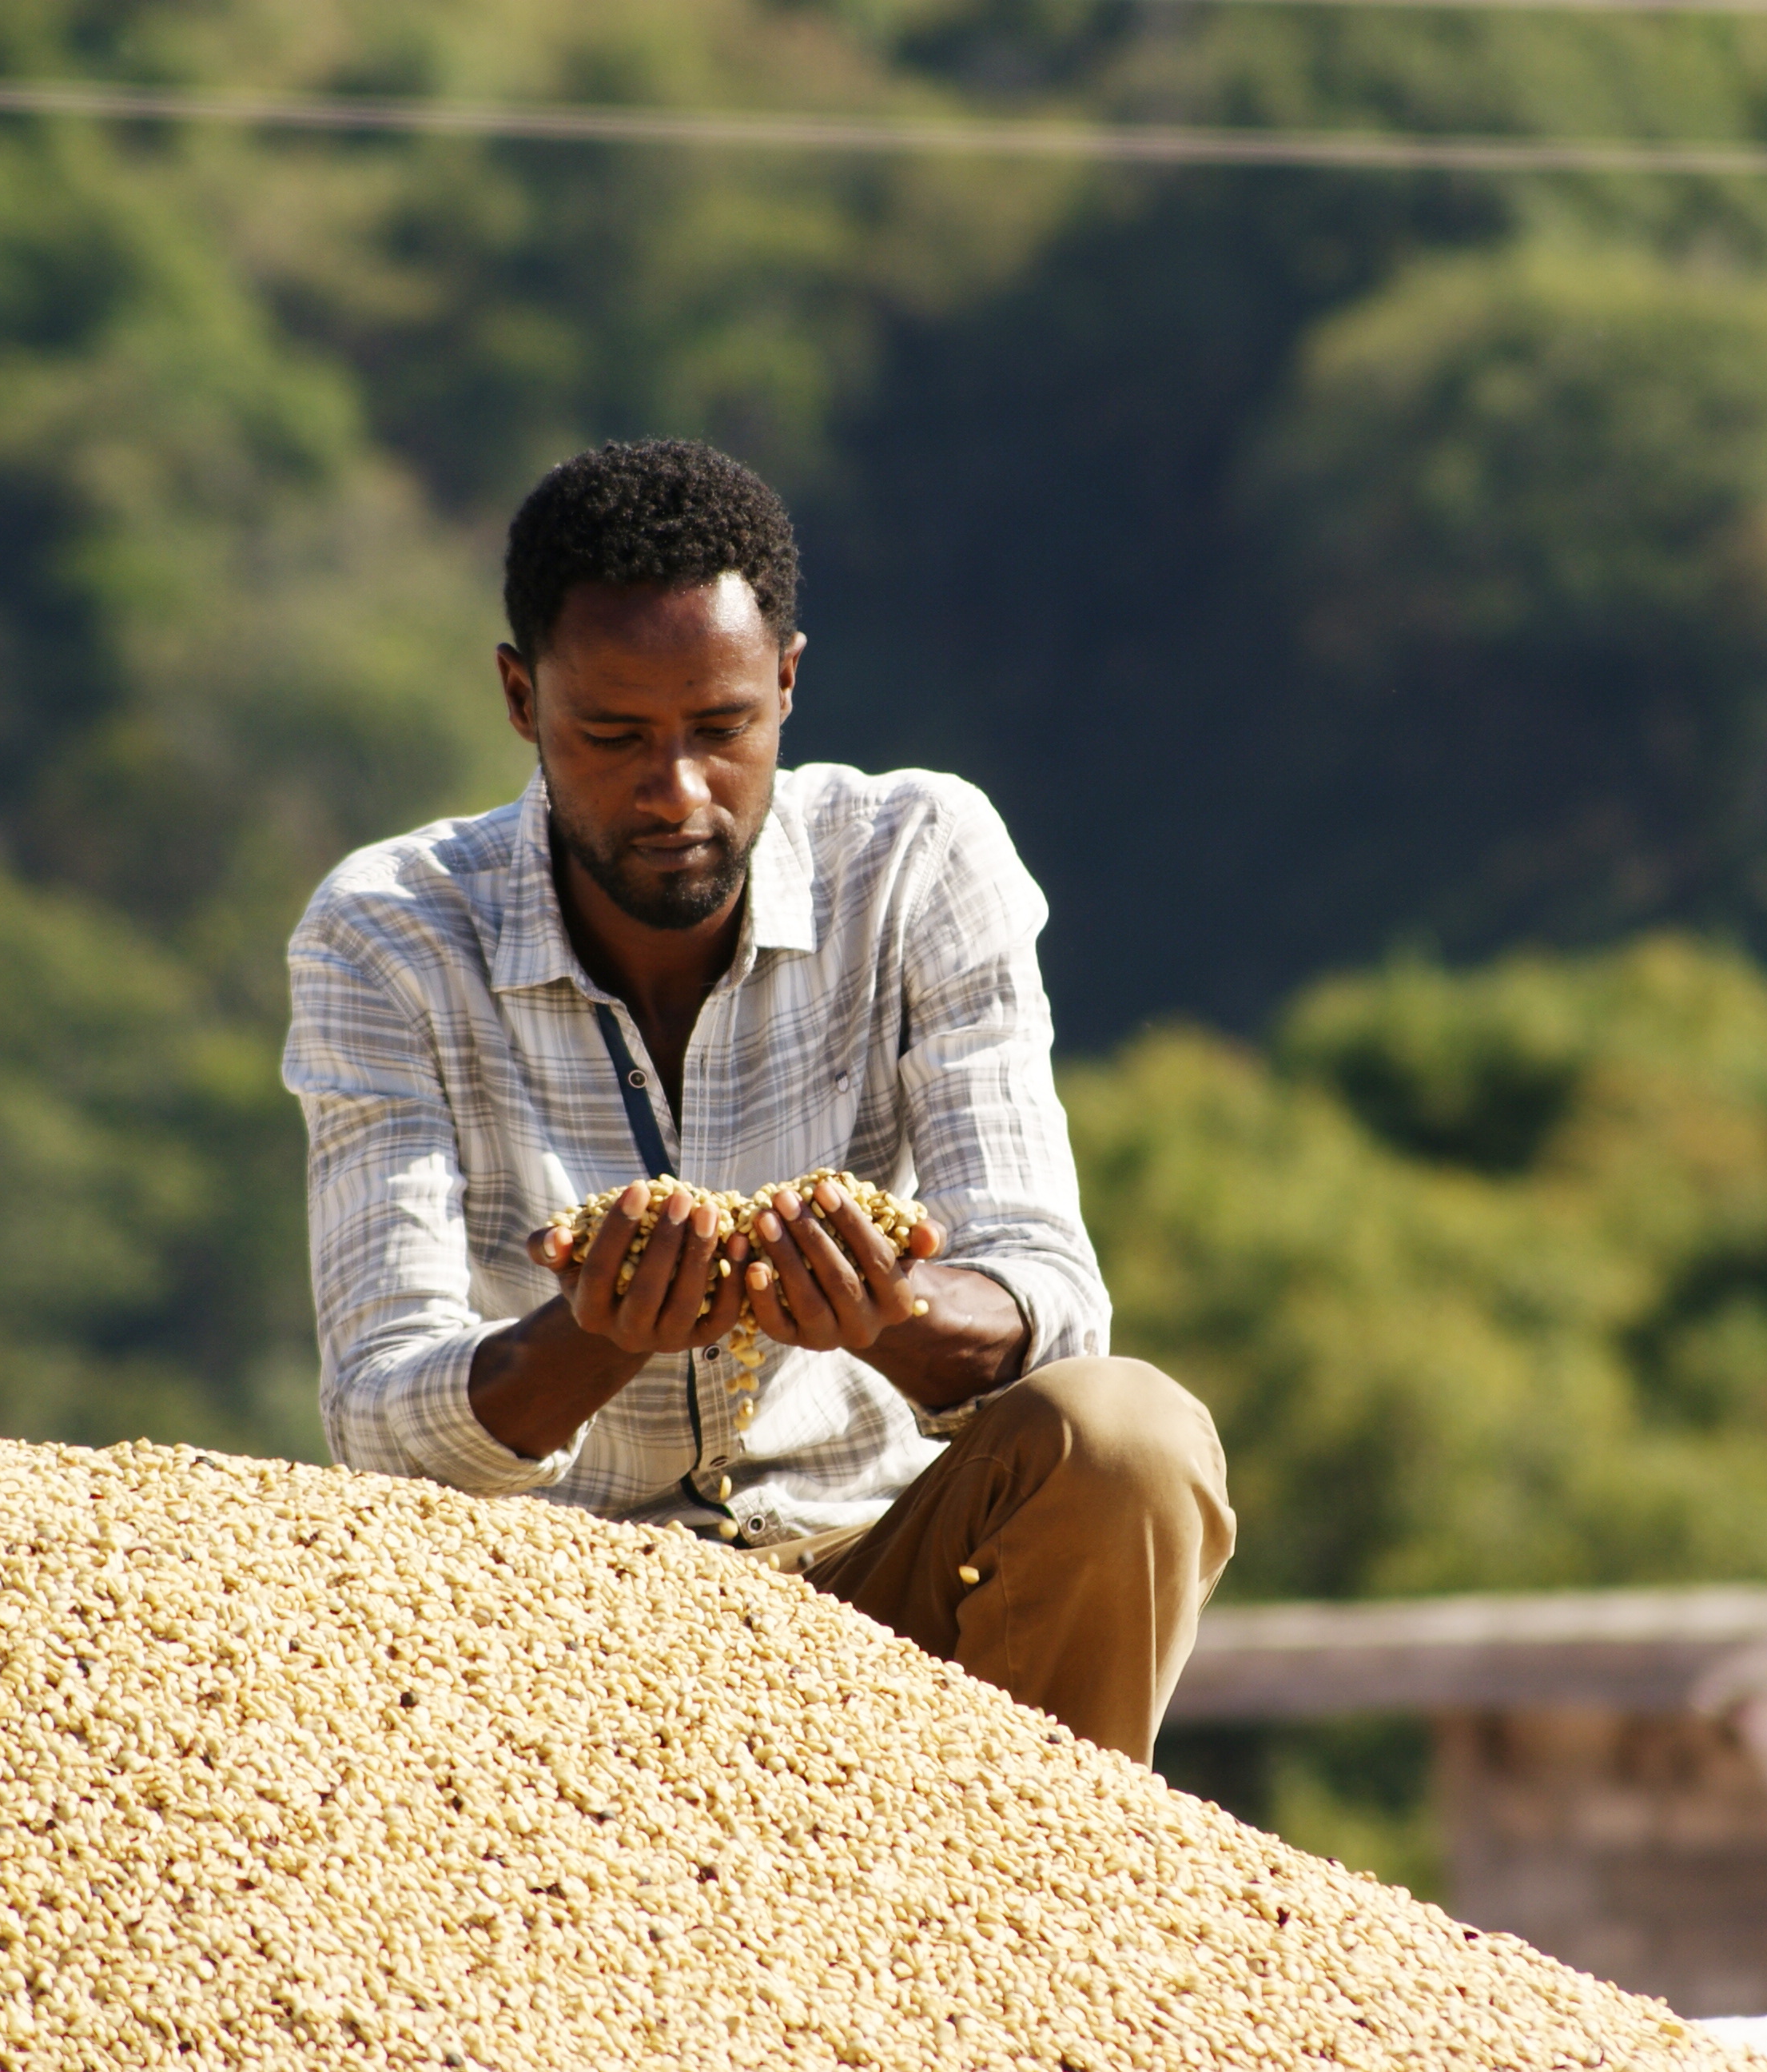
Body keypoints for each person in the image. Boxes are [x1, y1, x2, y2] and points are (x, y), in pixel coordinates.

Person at [283, 439, 1233, 1763]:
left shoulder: (917, 862)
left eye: (722, 731)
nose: (675, 792)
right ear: (519, 697)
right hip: (546, 1635)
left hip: (882, 1582)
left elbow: (1050, 1299)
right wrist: (594, 1338)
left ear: (787, 683)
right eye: (611, 737)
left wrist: (884, 1311)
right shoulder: (386, 935)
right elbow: (380, 1419)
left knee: (1128, 1436)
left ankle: (1048, 1934)